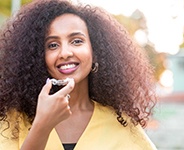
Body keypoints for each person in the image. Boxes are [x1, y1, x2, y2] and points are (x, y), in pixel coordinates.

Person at [0, 0, 158, 149]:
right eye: (53, 45)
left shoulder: (122, 124)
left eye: (76, 41)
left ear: (95, 52)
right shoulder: (12, 121)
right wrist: (42, 125)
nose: (65, 53)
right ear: (38, 56)